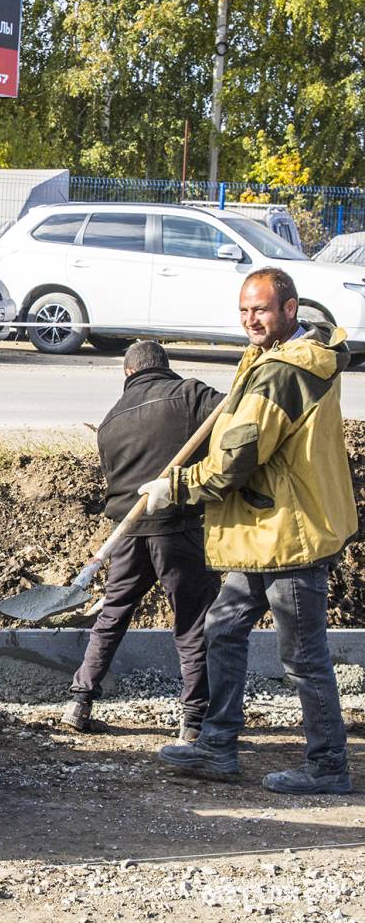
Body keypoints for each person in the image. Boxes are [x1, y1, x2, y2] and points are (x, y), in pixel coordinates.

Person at [147, 268, 358, 794]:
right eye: (244, 311)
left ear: (290, 308)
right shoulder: (276, 359)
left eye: (260, 309)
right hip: (263, 529)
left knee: (303, 655)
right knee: (223, 627)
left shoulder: (284, 372)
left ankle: (328, 765)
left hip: (289, 533)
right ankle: (218, 746)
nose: (250, 320)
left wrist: (174, 487)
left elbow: (235, 461)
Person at [60, 341, 223, 741]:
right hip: (177, 527)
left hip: (128, 534)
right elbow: (236, 419)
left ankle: (79, 701)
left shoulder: (111, 420)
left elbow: (113, 480)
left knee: (112, 616)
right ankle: (194, 720)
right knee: (192, 622)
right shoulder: (190, 394)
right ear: (164, 367)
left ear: (128, 374)